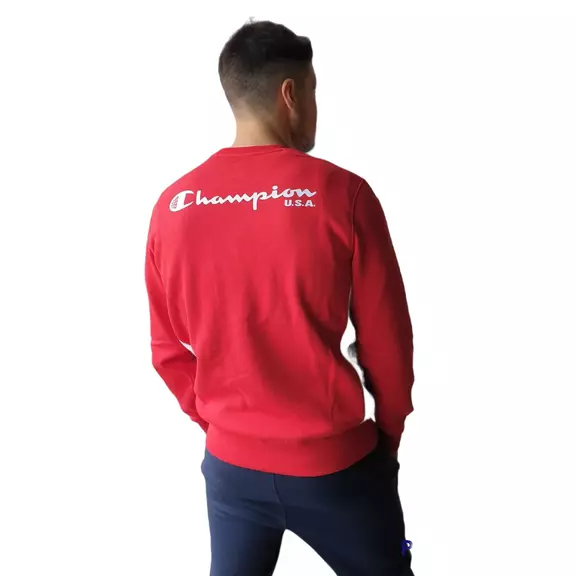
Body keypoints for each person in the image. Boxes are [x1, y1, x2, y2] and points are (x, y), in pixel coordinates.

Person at [145, 19, 415, 576]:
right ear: (290, 94)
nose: (315, 106)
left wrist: (225, 428)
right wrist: (388, 435)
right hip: (337, 470)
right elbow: (388, 344)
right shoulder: (342, 194)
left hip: (231, 473)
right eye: (313, 91)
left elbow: (167, 349)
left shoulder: (172, 207)